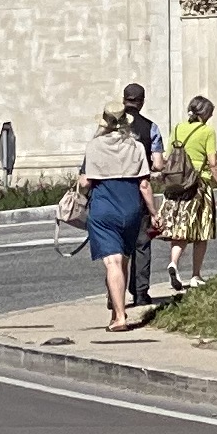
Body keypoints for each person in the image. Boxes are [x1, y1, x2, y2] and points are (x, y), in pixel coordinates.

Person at [76, 88, 157, 332]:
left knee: (112, 261)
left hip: (104, 207)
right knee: (124, 258)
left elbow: (85, 182)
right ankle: (116, 311)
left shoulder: (94, 146)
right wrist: (154, 213)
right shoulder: (136, 147)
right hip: (131, 207)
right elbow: (144, 184)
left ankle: (120, 316)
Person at [157, 93, 217, 297]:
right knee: (201, 230)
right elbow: (213, 163)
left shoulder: (178, 128)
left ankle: (173, 263)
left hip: (177, 186)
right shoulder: (207, 131)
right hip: (198, 184)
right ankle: (196, 275)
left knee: (180, 229)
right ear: (206, 114)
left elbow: (168, 157)